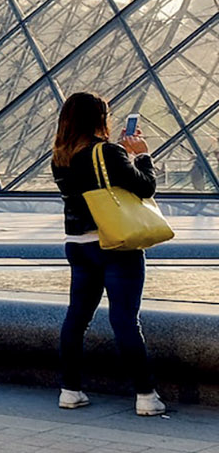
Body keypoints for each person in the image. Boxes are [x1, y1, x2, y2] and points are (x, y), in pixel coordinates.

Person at [50, 93, 166, 415]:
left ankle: (69, 391)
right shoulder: (108, 151)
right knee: (125, 320)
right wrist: (141, 156)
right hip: (114, 244)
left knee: (76, 319)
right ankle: (146, 396)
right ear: (99, 118)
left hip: (78, 246)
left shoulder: (59, 156)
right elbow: (145, 188)